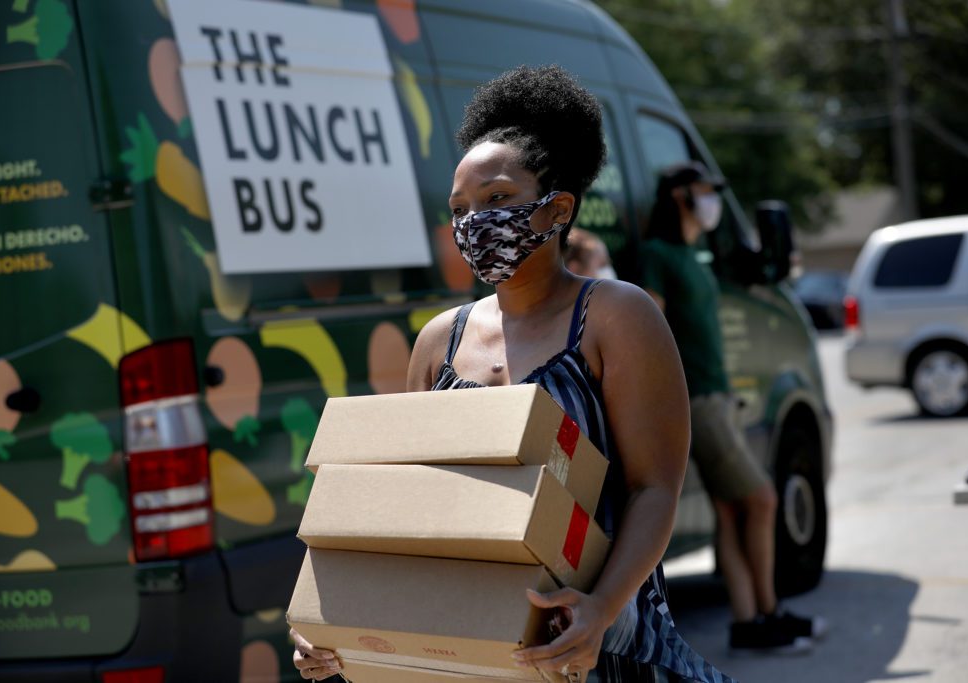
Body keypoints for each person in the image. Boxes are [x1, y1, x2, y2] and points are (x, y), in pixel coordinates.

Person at [290, 66, 735, 683]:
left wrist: (600, 610)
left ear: (557, 209)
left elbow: (654, 489)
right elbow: (406, 514)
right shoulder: (439, 343)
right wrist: (337, 634)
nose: (474, 222)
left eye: (497, 199)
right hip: (481, 656)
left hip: (606, 650)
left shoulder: (615, 317)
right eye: (459, 209)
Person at [641, 161, 827, 656]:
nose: (712, 201)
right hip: (698, 402)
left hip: (717, 397)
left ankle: (751, 620)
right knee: (763, 501)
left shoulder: (694, 254)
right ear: (681, 195)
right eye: (705, 192)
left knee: (729, 510)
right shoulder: (658, 255)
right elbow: (649, 332)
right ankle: (766, 613)